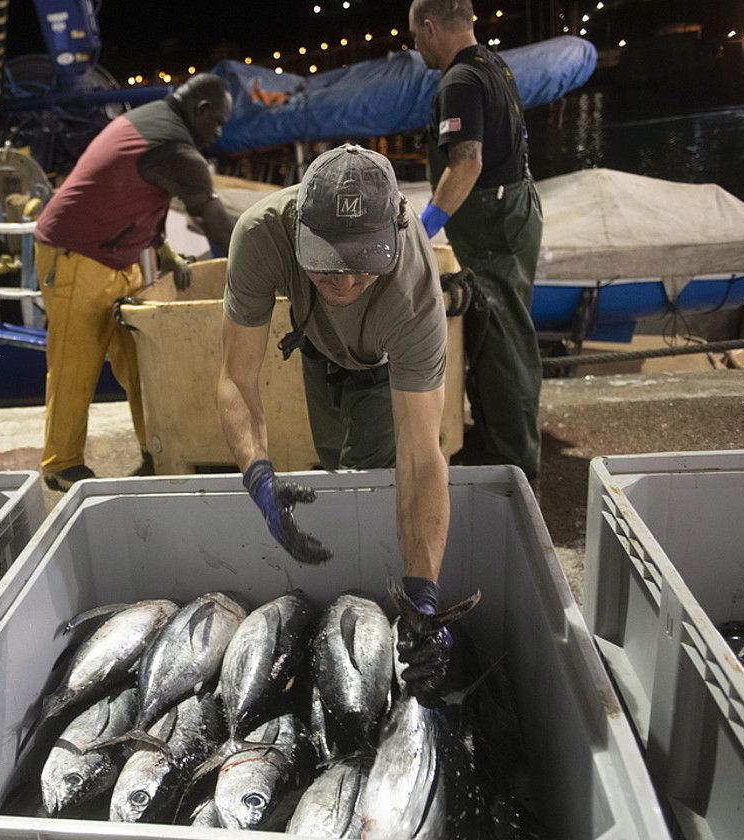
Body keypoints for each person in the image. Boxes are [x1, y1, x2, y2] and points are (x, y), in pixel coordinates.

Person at [217, 144, 453, 699]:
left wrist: (424, 595)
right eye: (325, 260)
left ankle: (390, 601)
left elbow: (421, 454)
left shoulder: (414, 293)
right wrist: (258, 476)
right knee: (332, 467)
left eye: (362, 262)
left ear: (394, 237)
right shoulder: (259, 235)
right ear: (298, 227)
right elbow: (236, 377)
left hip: (383, 363)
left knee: (369, 469)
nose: (343, 279)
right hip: (316, 345)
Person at [34, 72, 238, 491]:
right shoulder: (176, 148)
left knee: (143, 361)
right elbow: (219, 229)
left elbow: (139, 194)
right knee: (76, 365)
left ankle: (156, 445)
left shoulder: (154, 120)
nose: (217, 134)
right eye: (216, 123)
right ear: (199, 110)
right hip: (76, 254)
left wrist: (163, 251)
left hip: (118, 258)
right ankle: (61, 462)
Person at [411, 0, 544, 481]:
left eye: (415, 36)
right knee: (490, 333)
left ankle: (517, 466)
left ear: (430, 28)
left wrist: (423, 229)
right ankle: (494, 444)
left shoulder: (460, 82)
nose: (415, 46)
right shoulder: (493, 64)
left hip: (495, 223)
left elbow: (467, 163)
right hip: (515, 206)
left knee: (506, 341)